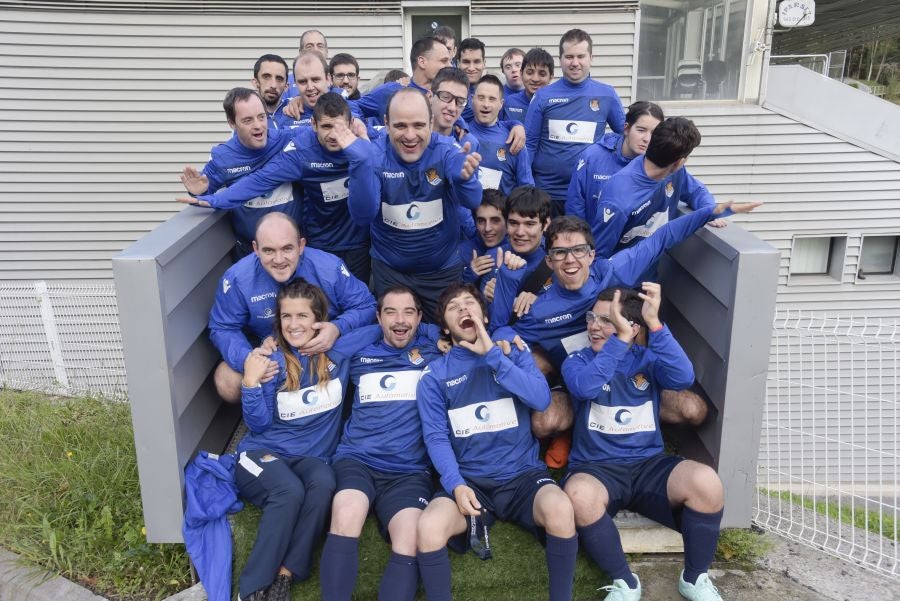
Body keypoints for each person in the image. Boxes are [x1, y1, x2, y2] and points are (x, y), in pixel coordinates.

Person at [492, 203, 759, 439]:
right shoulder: (540, 309)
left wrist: (710, 211)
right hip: (581, 375)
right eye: (560, 253)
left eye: (578, 250)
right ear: (549, 261)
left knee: (694, 410)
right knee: (543, 415)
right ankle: (572, 432)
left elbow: (660, 239)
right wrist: (501, 334)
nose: (570, 259)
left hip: (626, 372)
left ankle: (640, 424)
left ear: (591, 255)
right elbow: (503, 331)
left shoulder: (611, 271)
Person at [562, 284, 725, 601]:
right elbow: (585, 388)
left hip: (649, 466)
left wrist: (655, 325)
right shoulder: (578, 361)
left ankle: (694, 579)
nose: (595, 326)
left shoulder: (647, 359)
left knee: (707, 482)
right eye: (591, 317)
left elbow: (682, 378)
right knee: (579, 495)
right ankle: (625, 582)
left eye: (607, 320)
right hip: (596, 469)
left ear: (632, 326)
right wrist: (619, 341)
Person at [415, 283, 578, 601]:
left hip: (523, 477)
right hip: (471, 481)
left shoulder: (512, 351)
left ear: (484, 317)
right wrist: (456, 484)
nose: (463, 309)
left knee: (560, 509)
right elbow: (435, 437)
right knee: (429, 527)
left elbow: (541, 399)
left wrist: (494, 357)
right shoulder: (434, 375)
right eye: (454, 307)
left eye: (470, 303)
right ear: (446, 329)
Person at [319, 286, 444, 601]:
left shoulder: (434, 351)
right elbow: (332, 350)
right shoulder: (361, 353)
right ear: (378, 316)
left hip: (409, 470)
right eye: (390, 312)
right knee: (346, 512)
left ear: (419, 317)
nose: (399, 320)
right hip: (358, 460)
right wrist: (379, 328)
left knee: (411, 539)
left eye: (408, 313)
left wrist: (430, 331)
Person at [183, 93, 374, 283]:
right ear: (314, 125)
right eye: (326, 127)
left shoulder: (364, 141)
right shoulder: (299, 151)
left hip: (359, 243)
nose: (333, 134)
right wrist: (209, 198)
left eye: (261, 117)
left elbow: (384, 129)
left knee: (357, 294)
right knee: (318, 303)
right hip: (316, 244)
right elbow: (259, 180)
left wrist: (360, 128)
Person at [233, 280, 347, 601]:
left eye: (302, 316)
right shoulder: (274, 360)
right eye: (286, 317)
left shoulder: (339, 353)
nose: (294, 325)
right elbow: (258, 423)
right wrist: (251, 382)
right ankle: (252, 587)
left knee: (324, 482)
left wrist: (337, 329)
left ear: (318, 320)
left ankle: (287, 572)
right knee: (288, 490)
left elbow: (377, 324)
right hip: (261, 455)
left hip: (311, 459)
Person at [345, 87, 483, 322]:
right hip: (390, 272)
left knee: (446, 339)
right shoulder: (373, 156)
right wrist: (360, 167)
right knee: (397, 342)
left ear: (431, 123)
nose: (410, 136)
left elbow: (472, 201)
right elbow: (363, 215)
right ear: (386, 123)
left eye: (418, 125)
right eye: (400, 126)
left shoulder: (447, 151)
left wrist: (465, 181)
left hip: (442, 272)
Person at [208, 213, 375, 402]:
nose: (279, 260)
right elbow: (223, 327)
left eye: (287, 248)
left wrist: (337, 328)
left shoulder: (329, 268)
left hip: (325, 351)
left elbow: (367, 306)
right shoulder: (237, 278)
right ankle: (270, 418)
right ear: (255, 249)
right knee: (226, 380)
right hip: (274, 360)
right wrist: (248, 359)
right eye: (269, 251)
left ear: (301, 245)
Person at [587, 116, 729, 262]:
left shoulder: (675, 172)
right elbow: (598, 257)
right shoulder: (618, 198)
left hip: (650, 277)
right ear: (680, 161)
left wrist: (709, 209)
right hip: (621, 280)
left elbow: (696, 190)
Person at [178, 88, 298, 256]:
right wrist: (199, 191)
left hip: (292, 250)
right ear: (232, 123)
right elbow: (205, 193)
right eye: (248, 120)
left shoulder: (287, 140)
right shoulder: (223, 157)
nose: (258, 126)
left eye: (261, 117)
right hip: (249, 251)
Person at [525, 29, 626, 214]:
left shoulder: (607, 94)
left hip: (588, 193)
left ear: (591, 58)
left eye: (581, 56)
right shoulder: (542, 96)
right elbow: (529, 145)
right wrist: (527, 188)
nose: (575, 63)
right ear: (561, 59)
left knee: (580, 244)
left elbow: (626, 138)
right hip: (547, 194)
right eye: (569, 56)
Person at [566, 101, 665, 236]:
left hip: (635, 248)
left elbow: (693, 189)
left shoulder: (662, 161)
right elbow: (575, 205)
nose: (647, 139)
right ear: (626, 129)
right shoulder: (592, 157)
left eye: (654, 133)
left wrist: (705, 210)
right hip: (594, 244)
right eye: (641, 130)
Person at [467, 74, 534, 195]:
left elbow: (527, 189)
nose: (486, 104)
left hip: (501, 212)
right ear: (472, 100)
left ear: (501, 104)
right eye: (481, 98)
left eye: (492, 99)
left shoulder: (514, 138)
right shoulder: (460, 133)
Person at [459, 189, 508, 288]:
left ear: (507, 221)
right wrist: (468, 276)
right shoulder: (462, 252)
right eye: (481, 221)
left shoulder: (518, 248)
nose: (487, 228)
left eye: (495, 220)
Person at [277, 52, 334, 129]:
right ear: (295, 83)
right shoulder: (288, 116)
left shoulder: (347, 114)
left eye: (315, 79)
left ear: (328, 79)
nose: (310, 87)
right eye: (302, 81)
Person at [505, 47, 554, 123]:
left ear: (550, 77)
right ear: (521, 73)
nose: (535, 79)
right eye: (530, 72)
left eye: (542, 74)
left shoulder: (556, 105)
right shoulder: (509, 102)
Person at [251, 54, 292, 130]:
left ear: (286, 86)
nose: (273, 85)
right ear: (255, 83)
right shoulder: (245, 116)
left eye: (279, 79)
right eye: (266, 77)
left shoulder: (298, 108)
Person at [455, 37, 486, 123]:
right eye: (466, 62)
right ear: (458, 64)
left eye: (476, 62)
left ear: (484, 63)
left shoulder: (494, 91)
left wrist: (513, 124)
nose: (471, 68)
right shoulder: (449, 92)